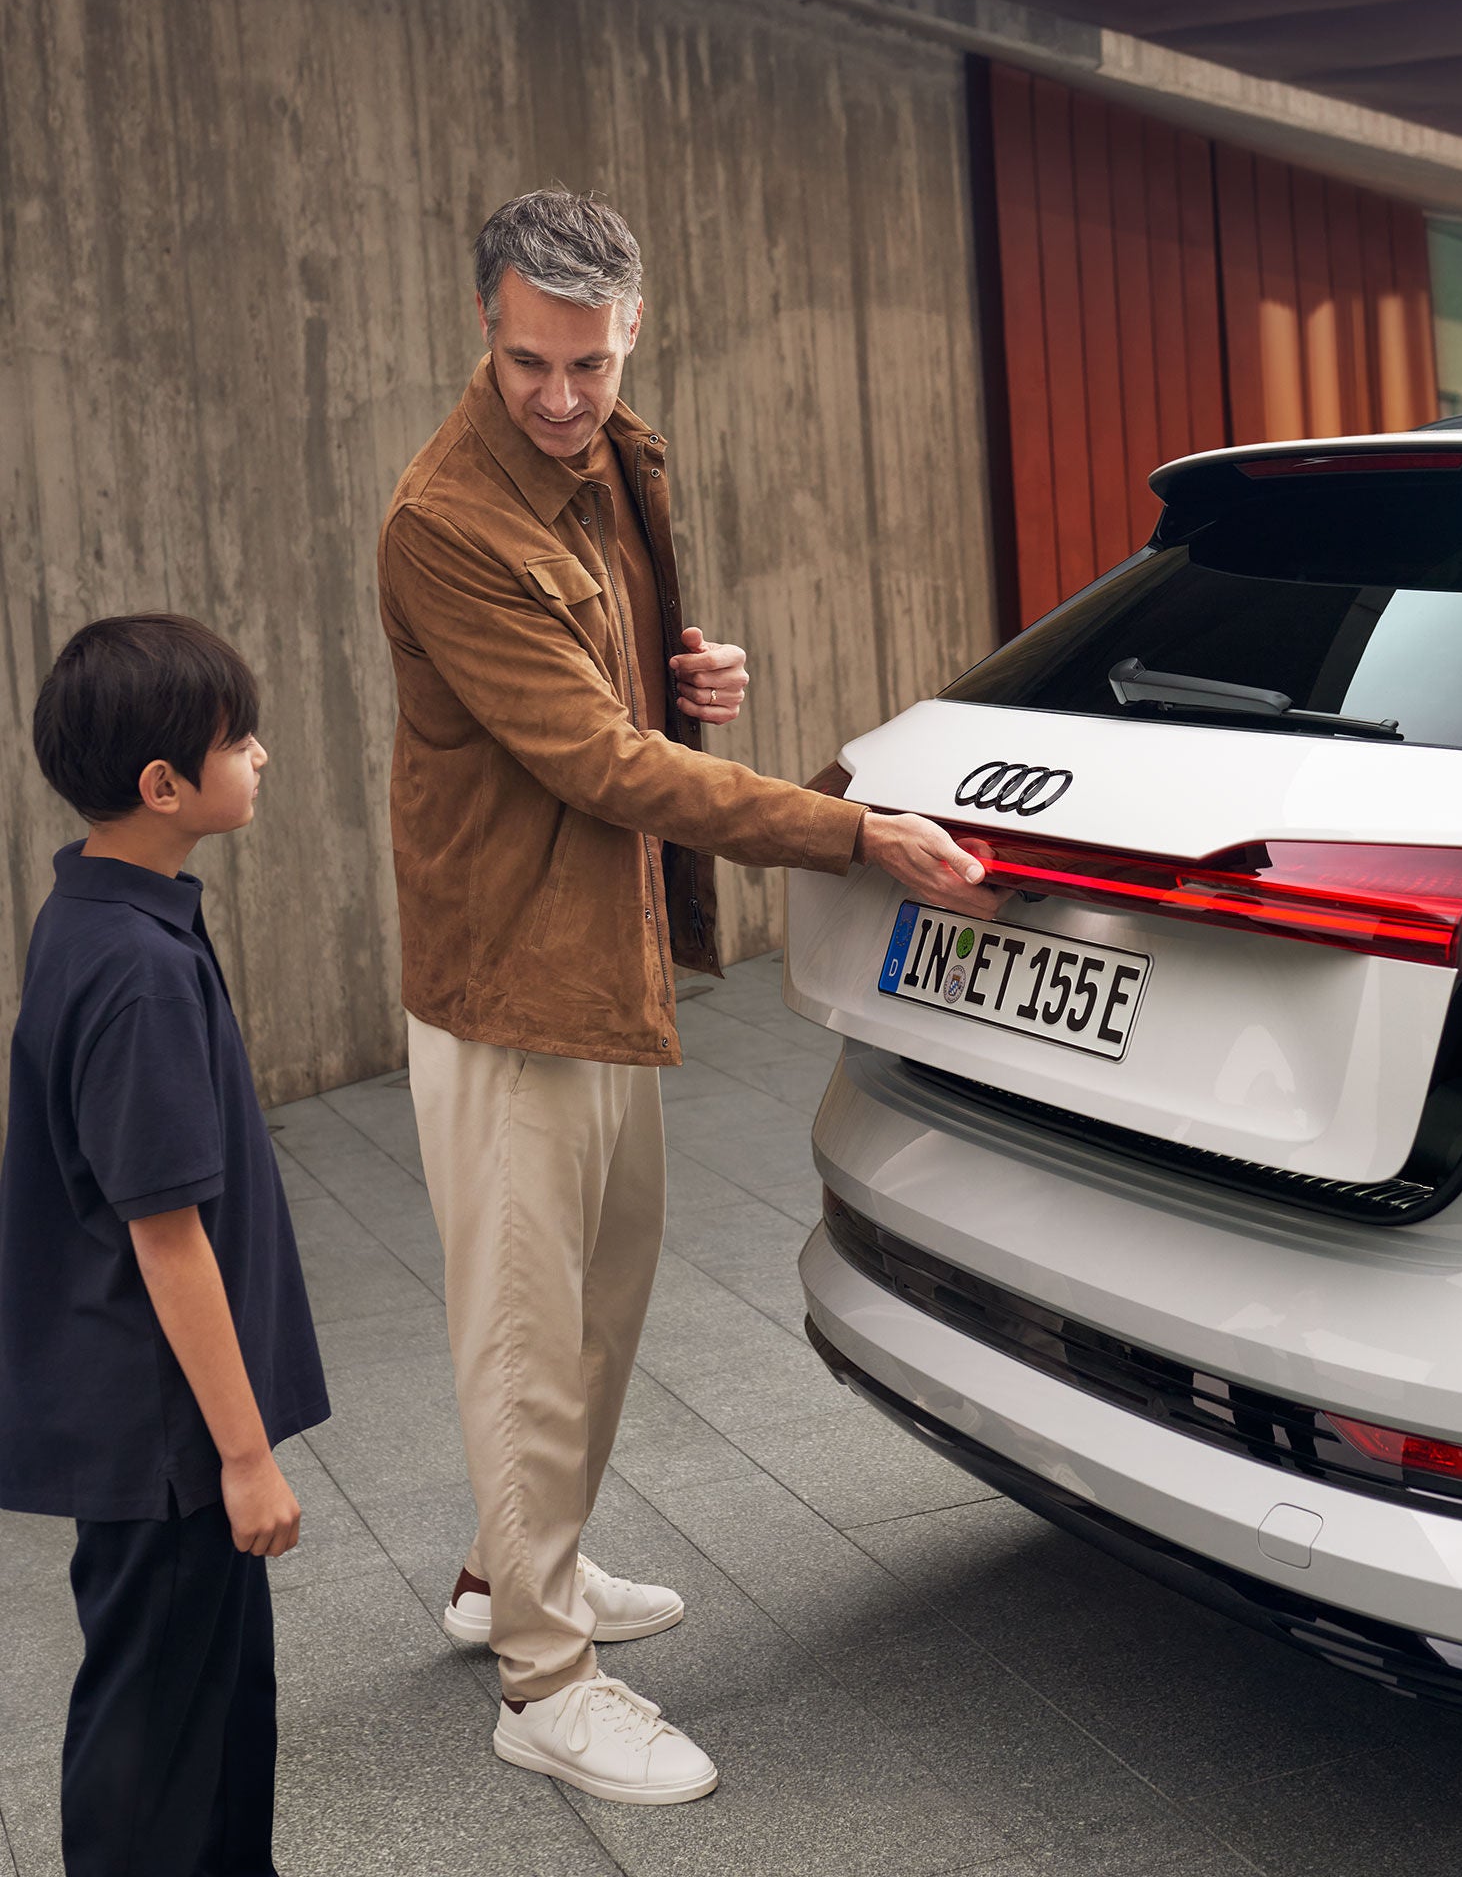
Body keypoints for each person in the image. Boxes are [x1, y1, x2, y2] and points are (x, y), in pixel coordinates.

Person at [377, 187, 997, 1806]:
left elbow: (622, 703)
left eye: (587, 361)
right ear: (486, 331)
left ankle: (512, 1574)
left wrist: (687, 678)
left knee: (600, 1304)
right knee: (524, 1341)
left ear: (631, 330)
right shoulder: (445, 519)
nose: (563, 397)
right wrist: (848, 834)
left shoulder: (617, 459)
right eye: (530, 364)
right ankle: (543, 1680)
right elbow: (590, 761)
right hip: (508, 978)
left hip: (602, 951)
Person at [0, 614, 329, 1876]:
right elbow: (165, 1234)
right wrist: (246, 1460)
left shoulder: (102, 911)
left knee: (219, 1703)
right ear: (163, 785)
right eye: (238, 741)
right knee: (155, 1726)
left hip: (161, 1421)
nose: (261, 757)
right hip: (167, 1435)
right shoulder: (133, 969)